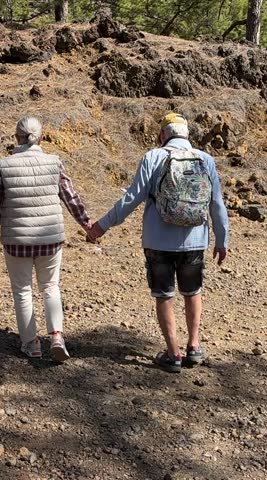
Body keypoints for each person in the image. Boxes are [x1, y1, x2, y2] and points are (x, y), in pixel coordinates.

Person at [88, 113, 230, 373]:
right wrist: (222, 240)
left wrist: (101, 226)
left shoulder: (153, 157)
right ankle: (195, 345)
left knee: (164, 295)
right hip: (195, 239)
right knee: (193, 291)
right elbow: (217, 204)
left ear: (163, 134)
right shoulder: (205, 160)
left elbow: (131, 199)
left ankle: (173, 353)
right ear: (186, 134)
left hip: (159, 240)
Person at [0, 116, 92, 362]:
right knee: (50, 286)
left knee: (23, 290)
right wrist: (87, 224)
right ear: (41, 136)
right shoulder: (54, 162)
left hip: (16, 240)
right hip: (50, 238)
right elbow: (70, 197)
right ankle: (57, 337)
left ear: (16, 137)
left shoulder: (5, 165)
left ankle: (31, 344)